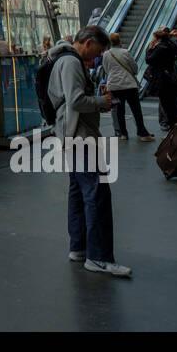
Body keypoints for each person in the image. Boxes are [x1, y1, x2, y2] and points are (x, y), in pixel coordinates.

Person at [48, 26, 127, 277]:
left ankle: (79, 247)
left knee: (78, 191)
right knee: (97, 194)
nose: (98, 57)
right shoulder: (71, 62)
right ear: (89, 42)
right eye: (99, 51)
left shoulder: (63, 59)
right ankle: (99, 257)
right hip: (81, 136)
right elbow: (76, 101)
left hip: (71, 135)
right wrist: (102, 102)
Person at [102, 32, 153, 142]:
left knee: (120, 110)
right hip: (128, 85)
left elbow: (106, 70)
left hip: (114, 86)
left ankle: (123, 133)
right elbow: (134, 68)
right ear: (119, 40)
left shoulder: (106, 54)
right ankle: (142, 133)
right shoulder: (125, 52)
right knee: (136, 109)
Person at [145, 27, 177, 129]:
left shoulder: (160, 48)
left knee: (166, 104)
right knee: (172, 104)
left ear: (158, 38)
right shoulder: (170, 45)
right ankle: (175, 124)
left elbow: (148, 59)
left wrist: (149, 49)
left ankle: (169, 125)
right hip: (171, 78)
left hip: (162, 80)